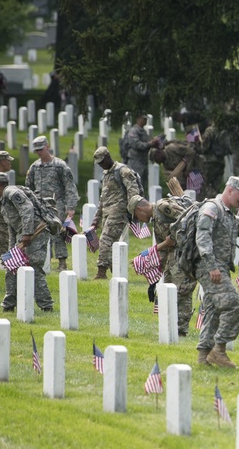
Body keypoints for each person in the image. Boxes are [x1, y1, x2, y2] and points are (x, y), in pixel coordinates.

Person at [195, 176, 239, 368]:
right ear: (230, 190)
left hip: (220, 268)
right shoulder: (212, 208)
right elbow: (202, 237)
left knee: (213, 312)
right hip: (210, 267)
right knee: (235, 306)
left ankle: (203, 357)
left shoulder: (229, 214)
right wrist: (212, 266)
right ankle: (219, 350)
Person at [129, 195, 196, 336]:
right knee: (168, 290)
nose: (138, 221)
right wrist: (154, 278)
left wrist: (173, 237)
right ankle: (171, 326)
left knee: (182, 291)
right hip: (173, 257)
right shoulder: (156, 221)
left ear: (140, 209)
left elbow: (189, 219)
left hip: (186, 253)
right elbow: (164, 249)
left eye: (136, 217)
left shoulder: (162, 207)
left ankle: (181, 330)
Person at [0, 177, 56, 313]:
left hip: (36, 232)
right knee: (12, 267)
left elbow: (27, 208)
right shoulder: (4, 201)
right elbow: (12, 227)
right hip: (24, 235)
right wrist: (11, 251)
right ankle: (9, 304)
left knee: (33, 266)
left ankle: (46, 305)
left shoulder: (10, 192)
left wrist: (27, 233)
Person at [90, 147, 143, 280]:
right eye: (99, 164)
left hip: (119, 212)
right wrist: (96, 219)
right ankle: (116, 271)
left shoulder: (123, 171)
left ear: (108, 157)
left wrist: (132, 212)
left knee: (106, 239)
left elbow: (133, 192)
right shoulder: (107, 173)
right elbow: (103, 198)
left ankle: (101, 272)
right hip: (107, 212)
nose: (101, 165)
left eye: (102, 162)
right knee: (112, 243)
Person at [25, 135, 78, 271]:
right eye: (36, 150)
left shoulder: (59, 166)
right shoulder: (34, 167)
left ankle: (62, 262)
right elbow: (28, 187)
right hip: (39, 205)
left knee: (58, 233)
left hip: (57, 204)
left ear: (47, 147)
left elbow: (69, 186)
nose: (39, 152)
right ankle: (44, 261)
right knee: (40, 234)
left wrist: (70, 207)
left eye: (41, 149)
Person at [199, 123, 231, 200]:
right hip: (221, 161)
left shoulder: (210, 130)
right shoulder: (224, 131)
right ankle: (216, 201)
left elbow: (204, 147)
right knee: (216, 185)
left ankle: (209, 200)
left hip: (209, 161)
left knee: (205, 184)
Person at [122, 113, 152, 180]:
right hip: (135, 161)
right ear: (138, 119)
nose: (145, 120)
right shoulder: (134, 131)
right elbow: (136, 144)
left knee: (141, 185)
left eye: (146, 119)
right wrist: (150, 144)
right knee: (134, 183)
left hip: (143, 161)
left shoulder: (143, 131)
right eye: (144, 119)